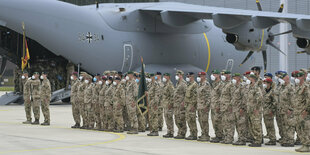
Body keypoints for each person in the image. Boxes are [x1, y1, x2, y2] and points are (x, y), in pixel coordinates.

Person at [278, 72, 295, 147]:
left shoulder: (290, 87)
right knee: (284, 126)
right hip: (282, 110)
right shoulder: (282, 87)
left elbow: (293, 99)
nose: (281, 80)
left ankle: (290, 140)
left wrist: (290, 109)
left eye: (282, 78)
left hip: (288, 110)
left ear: (287, 79)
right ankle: (286, 139)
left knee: (289, 126)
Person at [294, 71, 310, 152]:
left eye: (299, 77)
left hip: (304, 112)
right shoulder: (297, 87)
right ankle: (304, 144)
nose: (297, 78)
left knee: (305, 129)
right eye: (296, 77)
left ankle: (307, 145)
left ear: (303, 77)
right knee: (299, 129)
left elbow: (309, 99)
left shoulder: (306, 87)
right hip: (297, 112)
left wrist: (306, 110)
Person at [247, 74, 263, 147]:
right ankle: (255, 139)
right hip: (250, 109)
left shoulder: (256, 87)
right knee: (252, 125)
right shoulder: (250, 87)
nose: (248, 79)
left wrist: (256, 108)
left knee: (256, 125)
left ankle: (258, 141)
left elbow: (259, 98)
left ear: (252, 79)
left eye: (249, 78)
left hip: (255, 110)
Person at [231, 73, 247, 146]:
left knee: (241, 124)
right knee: (237, 125)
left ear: (238, 78)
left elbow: (244, 98)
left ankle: (242, 139)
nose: (233, 79)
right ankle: (240, 138)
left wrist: (242, 108)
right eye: (233, 78)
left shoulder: (242, 86)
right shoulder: (234, 86)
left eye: (235, 78)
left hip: (240, 108)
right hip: (235, 108)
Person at [220, 70, 234, 144]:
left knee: (229, 123)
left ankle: (230, 138)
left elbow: (233, 96)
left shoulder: (231, 84)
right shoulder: (224, 84)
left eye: (224, 74)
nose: (223, 76)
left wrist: (230, 106)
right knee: (224, 123)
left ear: (228, 75)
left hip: (228, 107)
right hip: (223, 107)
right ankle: (226, 137)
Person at [196, 72, 211, 141]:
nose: (199, 77)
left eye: (200, 76)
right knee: (200, 121)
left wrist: (206, 106)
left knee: (204, 121)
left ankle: (206, 135)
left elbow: (208, 96)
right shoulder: (200, 84)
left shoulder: (206, 84)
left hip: (204, 106)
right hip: (199, 106)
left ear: (204, 76)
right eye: (199, 76)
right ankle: (203, 133)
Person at [210, 70, 224, 143]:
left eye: (214, 74)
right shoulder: (213, 84)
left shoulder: (221, 84)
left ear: (218, 75)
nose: (213, 75)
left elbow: (221, 96)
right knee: (214, 121)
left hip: (217, 107)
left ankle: (220, 136)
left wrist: (218, 106)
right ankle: (217, 135)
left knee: (219, 121)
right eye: (212, 74)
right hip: (213, 106)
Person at [262, 78, 277, 145]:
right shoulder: (264, 91)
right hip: (265, 111)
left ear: (269, 84)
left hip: (270, 111)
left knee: (271, 126)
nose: (264, 84)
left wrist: (272, 111)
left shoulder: (272, 91)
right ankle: (271, 138)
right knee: (267, 125)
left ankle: (273, 139)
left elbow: (275, 102)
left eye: (265, 83)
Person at [173, 70, 187, 139]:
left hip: (181, 105)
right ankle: (179, 132)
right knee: (177, 119)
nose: (176, 76)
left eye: (178, 75)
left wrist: (183, 102)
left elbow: (186, 94)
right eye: (176, 75)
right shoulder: (177, 83)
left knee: (181, 119)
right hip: (176, 104)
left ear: (181, 75)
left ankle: (182, 133)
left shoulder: (183, 84)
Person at [162, 73, 175, 138]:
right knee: (166, 118)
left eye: (165, 76)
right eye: (164, 76)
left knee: (169, 118)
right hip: (165, 104)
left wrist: (171, 103)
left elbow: (172, 95)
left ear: (168, 77)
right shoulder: (165, 84)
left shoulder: (170, 84)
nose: (164, 77)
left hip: (169, 105)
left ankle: (171, 132)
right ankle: (168, 131)